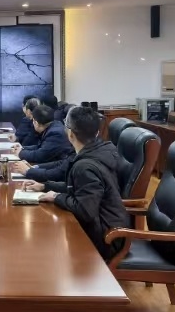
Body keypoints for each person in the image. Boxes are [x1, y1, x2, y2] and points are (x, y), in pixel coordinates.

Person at [22, 106, 127, 259]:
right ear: (96, 132)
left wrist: (56, 197)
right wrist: (45, 186)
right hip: (107, 227)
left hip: (106, 238)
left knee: (42, 242)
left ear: (70, 134)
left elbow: (85, 210)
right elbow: (79, 190)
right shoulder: (100, 150)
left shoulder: (85, 167)